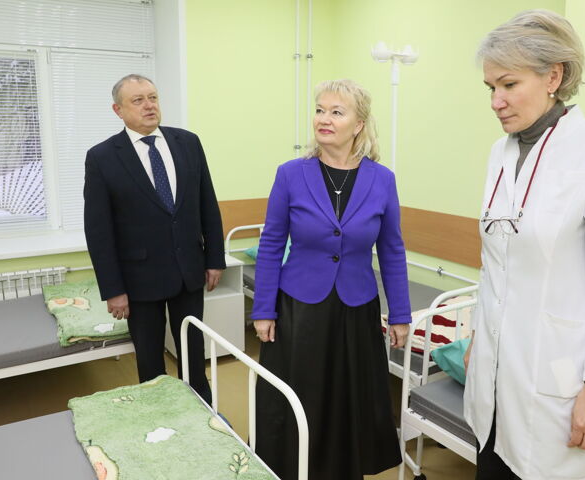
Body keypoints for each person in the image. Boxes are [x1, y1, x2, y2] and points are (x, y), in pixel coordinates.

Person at [463, 10, 585, 480]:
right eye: (490, 88)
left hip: (561, 381)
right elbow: (495, 261)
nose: (496, 102)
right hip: (494, 375)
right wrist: (479, 334)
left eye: (509, 84)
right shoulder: (500, 153)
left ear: (553, 77)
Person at [251, 79, 411, 480]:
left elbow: (392, 249)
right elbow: (271, 244)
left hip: (356, 307)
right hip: (300, 305)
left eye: (336, 112)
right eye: (320, 110)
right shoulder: (291, 174)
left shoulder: (382, 179)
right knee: (301, 394)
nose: (324, 118)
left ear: (358, 124)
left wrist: (400, 314)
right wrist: (263, 308)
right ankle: (293, 469)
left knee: (349, 397)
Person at [83, 74, 225, 405]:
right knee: (149, 358)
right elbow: (98, 230)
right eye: (138, 100)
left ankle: (201, 408)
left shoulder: (188, 143)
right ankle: (159, 413)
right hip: (139, 279)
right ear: (118, 110)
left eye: (153, 97)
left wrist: (215, 258)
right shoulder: (103, 157)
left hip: (189, 270)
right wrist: (113, 289)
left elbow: (207, 203)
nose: (149, 105)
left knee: (193, 349)